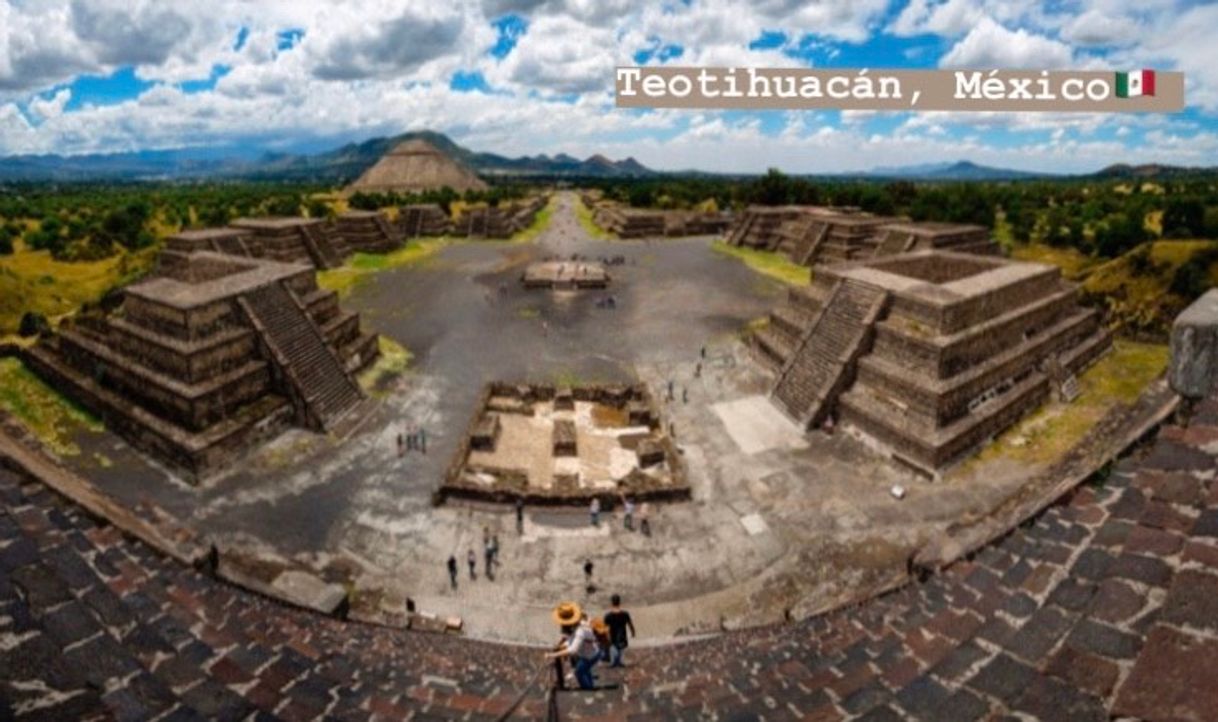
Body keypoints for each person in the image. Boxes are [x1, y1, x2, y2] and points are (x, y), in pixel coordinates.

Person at [545, 608, 601, 690]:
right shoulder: (577, 627)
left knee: (579, 672)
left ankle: (588, 689)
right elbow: (571, 640)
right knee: (585, 670)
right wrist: (561, 646)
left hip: (591, 655)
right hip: (588, 654)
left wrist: (552, 655)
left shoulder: (580, 631)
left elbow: (573, 649)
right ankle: (590, 686)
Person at [604, 594, 636, 668]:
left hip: (612, 636)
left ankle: (614, 662)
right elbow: (630, 624)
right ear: (619, 602)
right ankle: (620, 661)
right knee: (621, 650)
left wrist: (605, 638)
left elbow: (605, 628)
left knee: (613, 650)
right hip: (622, 635)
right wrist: (633, 632)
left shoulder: (608, 615)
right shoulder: (625, 614)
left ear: (612, 602)